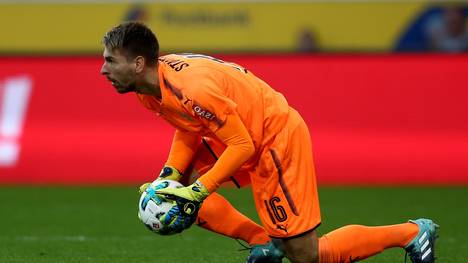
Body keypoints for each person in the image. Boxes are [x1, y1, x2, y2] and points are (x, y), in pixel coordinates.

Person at [100, 21, 439, 263]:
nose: (103, 69)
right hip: (240, 134)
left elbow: (243, 146)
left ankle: (410, 233)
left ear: (138, 63)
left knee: (306, 255)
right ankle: (264, 242)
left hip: (273, 140)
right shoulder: (150, 88)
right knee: (176, 187)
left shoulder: (191, 88)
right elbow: (189, 125)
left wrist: (198, 191)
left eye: (110, 60)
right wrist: (170, 175)